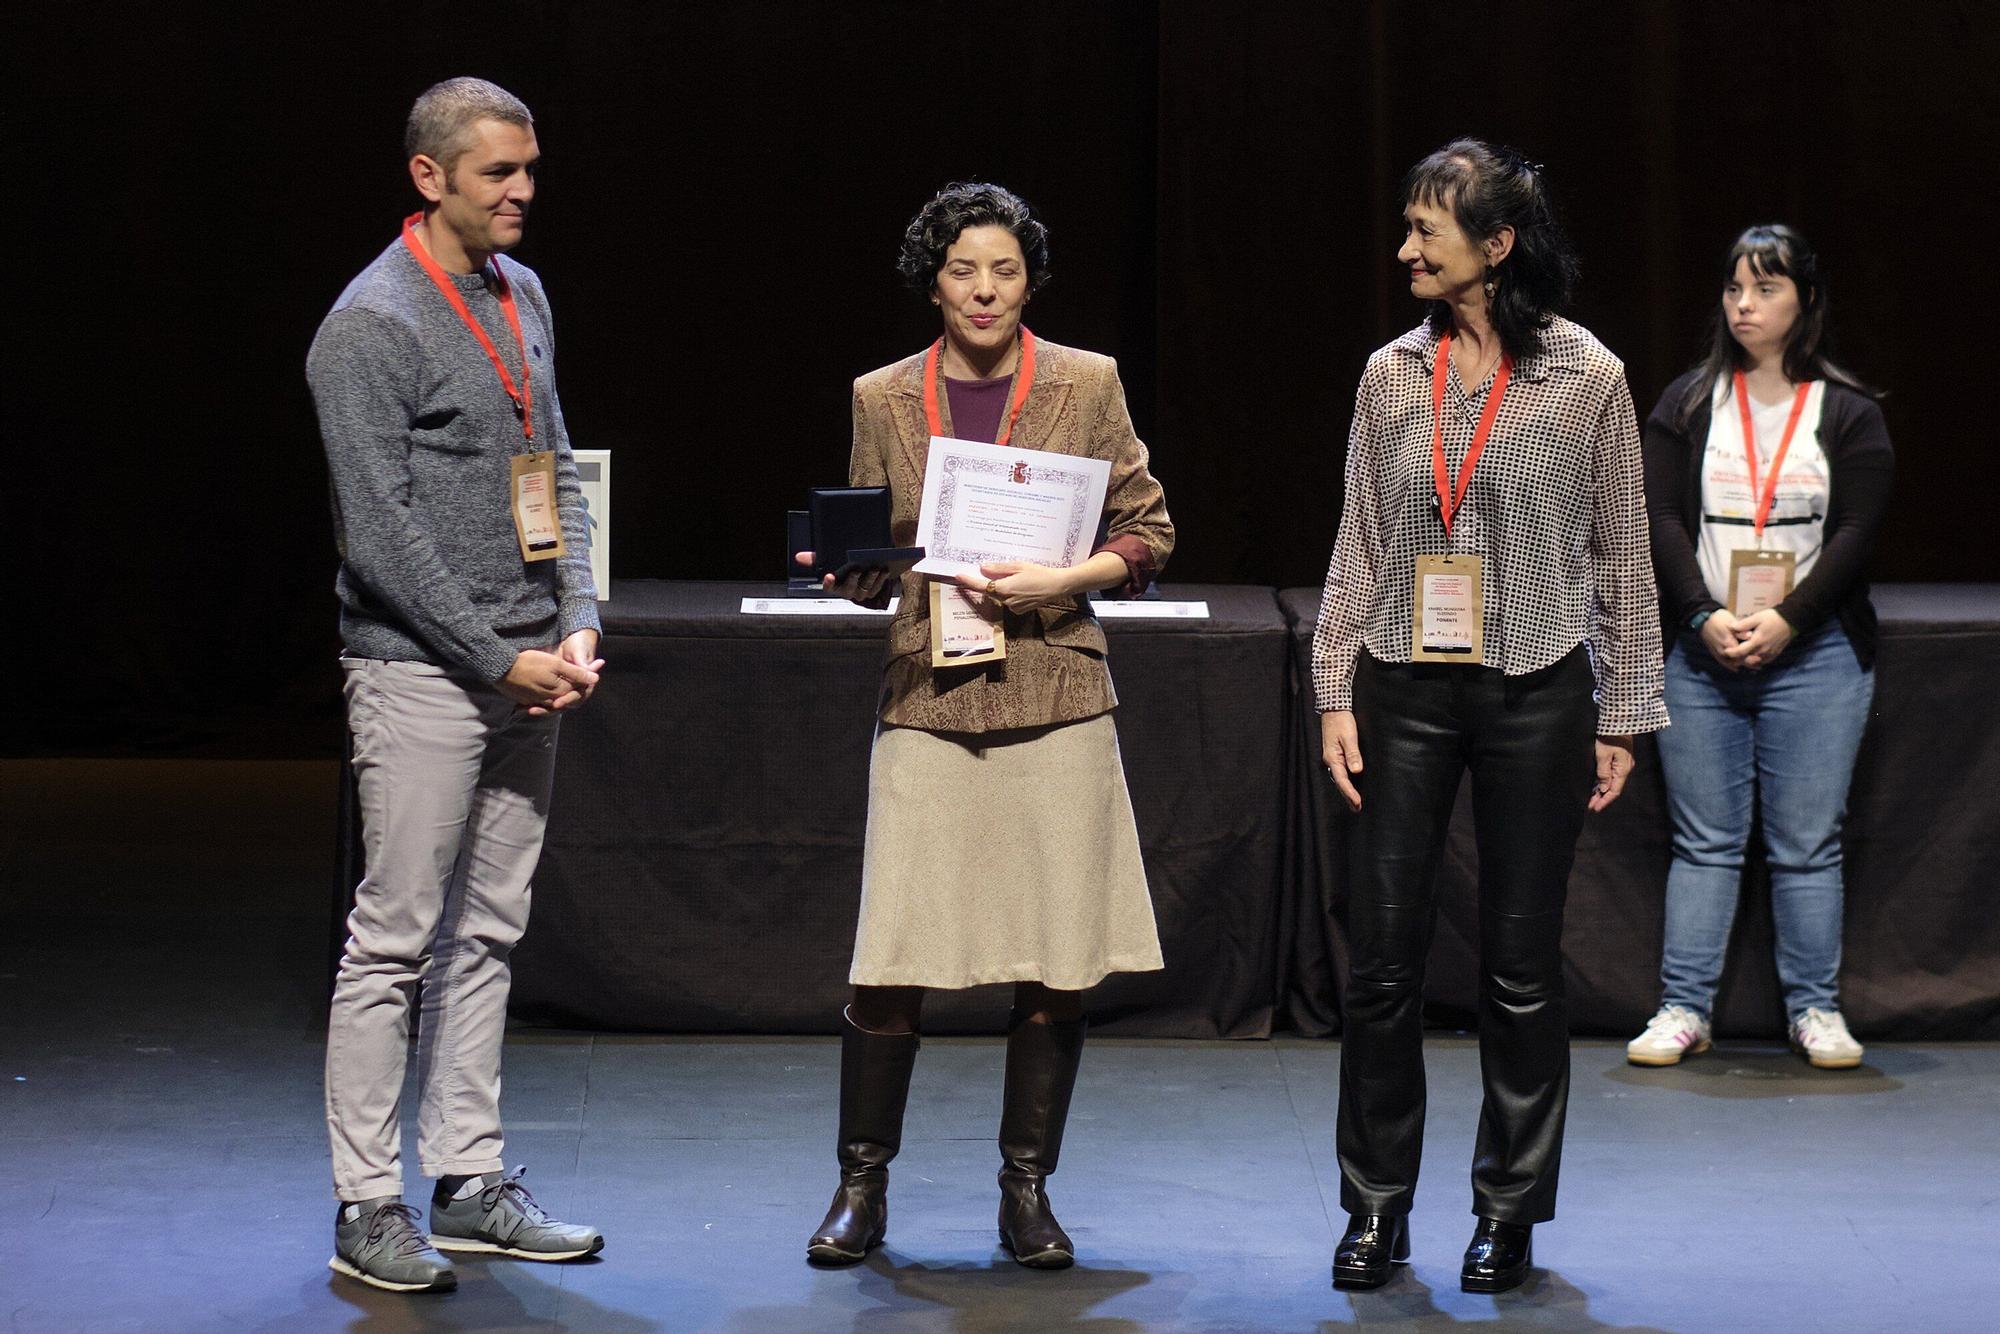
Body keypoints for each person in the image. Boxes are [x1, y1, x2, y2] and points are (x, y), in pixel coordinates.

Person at [1310, 139, 1666, 1294]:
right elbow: (1357, 541)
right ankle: (1374, 1206)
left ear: (1494, 244)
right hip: (1401, 684)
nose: (1405, 248)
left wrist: (1622, 709)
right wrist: (1329, 686)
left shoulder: (1586, 377)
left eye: (1428, 229)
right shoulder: (1384, 375)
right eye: (1407, 227)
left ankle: (1507, 1209)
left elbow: (1621, 551)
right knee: (1381, 963)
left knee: (1518, 968)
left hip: (1535, 685)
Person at [799, 182, 1173, 1271]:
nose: (983, 288)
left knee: (1057, 954)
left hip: (1056, 681)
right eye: (964, 268)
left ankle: (1025, 1191)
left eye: (1004, 269)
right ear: (933, 277)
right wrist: (853, 573)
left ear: (1029, 281)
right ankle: (860, 1184)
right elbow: (868, 561)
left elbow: (1147, 528)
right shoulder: (881, 395)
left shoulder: (1084, 383)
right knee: (892, 949)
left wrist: (1067, 574)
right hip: (929, 687)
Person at [307, 77, 606, 1293]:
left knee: (489, 931)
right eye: (498, 172)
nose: (523, 190)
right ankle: (365, 1200)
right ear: (430, 177)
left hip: (531, 659)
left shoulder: (519, 294)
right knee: (395, 940)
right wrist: (494, 655)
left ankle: (467, 1175)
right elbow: (376, 533)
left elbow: (557, 470)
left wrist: (577, 615)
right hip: (425, 672)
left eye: (529, 169)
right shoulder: (368, 325)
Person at [1627, 225, 1893, 1073]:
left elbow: (1857, 532)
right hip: (1703, 652)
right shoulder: (1690, 402)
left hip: (1813, 655)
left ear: (1804, 303)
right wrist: (1703, 614)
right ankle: (1684, 1008)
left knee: (1806, 844)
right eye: (1735, 289)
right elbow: (1660, 520)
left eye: (1766, 290)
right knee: (1703, 841)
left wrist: (1790, 620)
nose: (1745, 305)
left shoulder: (1847, 413)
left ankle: (1815, 1009)